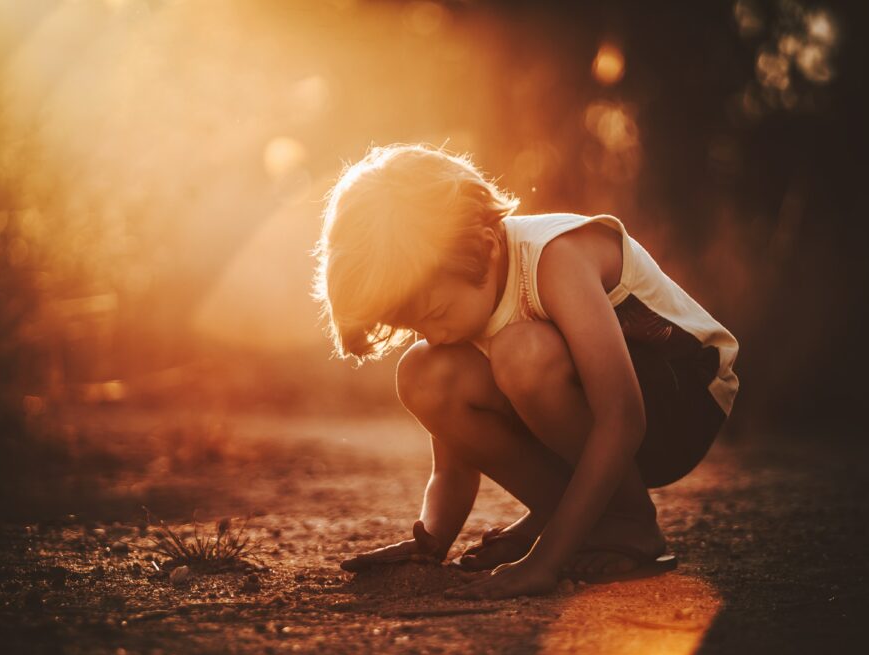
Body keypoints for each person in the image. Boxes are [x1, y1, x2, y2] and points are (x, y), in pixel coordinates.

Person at [310, 143, 739, 599]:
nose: (431, 334)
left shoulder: (556, 258)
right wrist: (430, 539)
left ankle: (630, 524)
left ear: (486, 247)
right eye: (412, 324)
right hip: (602, 431)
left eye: (434, 313)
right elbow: (454, 468)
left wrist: (544, 560)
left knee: (522, 352)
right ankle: (577, 518)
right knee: (423, 373)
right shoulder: (466, 297)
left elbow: (622, 418)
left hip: (681, 403)